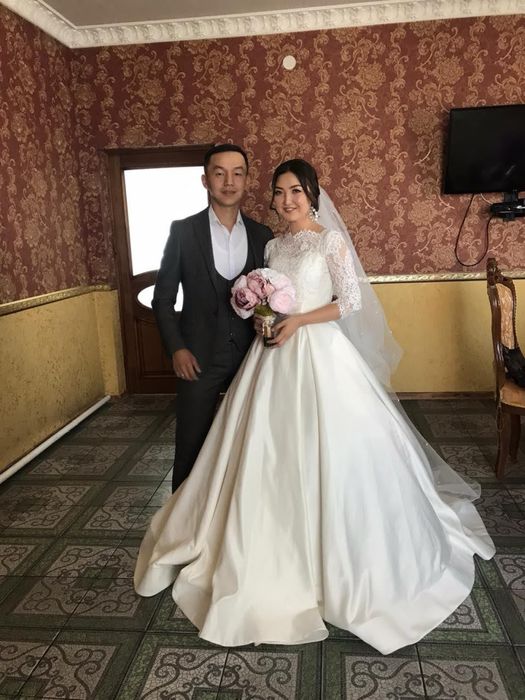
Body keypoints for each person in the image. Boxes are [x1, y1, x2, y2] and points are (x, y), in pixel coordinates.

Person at [135, 158, 495, 654]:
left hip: (320, 353)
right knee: (263, 448)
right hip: (271, 356)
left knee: (331, 449)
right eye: (279, 192)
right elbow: (268, 301)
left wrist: (299, 321)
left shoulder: (330, 241)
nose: (287, 201)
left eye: (296, 192)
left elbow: (349, 301)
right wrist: (263, 316)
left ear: (312, 195)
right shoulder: (272, 246)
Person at [152, 144, 273, 492]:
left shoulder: (263, 235)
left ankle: (238, 511)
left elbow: (270, 295)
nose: (229, 182)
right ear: (205, 180)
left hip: (252, 356)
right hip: (198, 356)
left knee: (250, 441)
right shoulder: (183, 232)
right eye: (219, 173)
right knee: (191, 443)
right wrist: (177, 348)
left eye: (237, 173)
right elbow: (162, 299)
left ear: (247, 180)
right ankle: (182, 518)